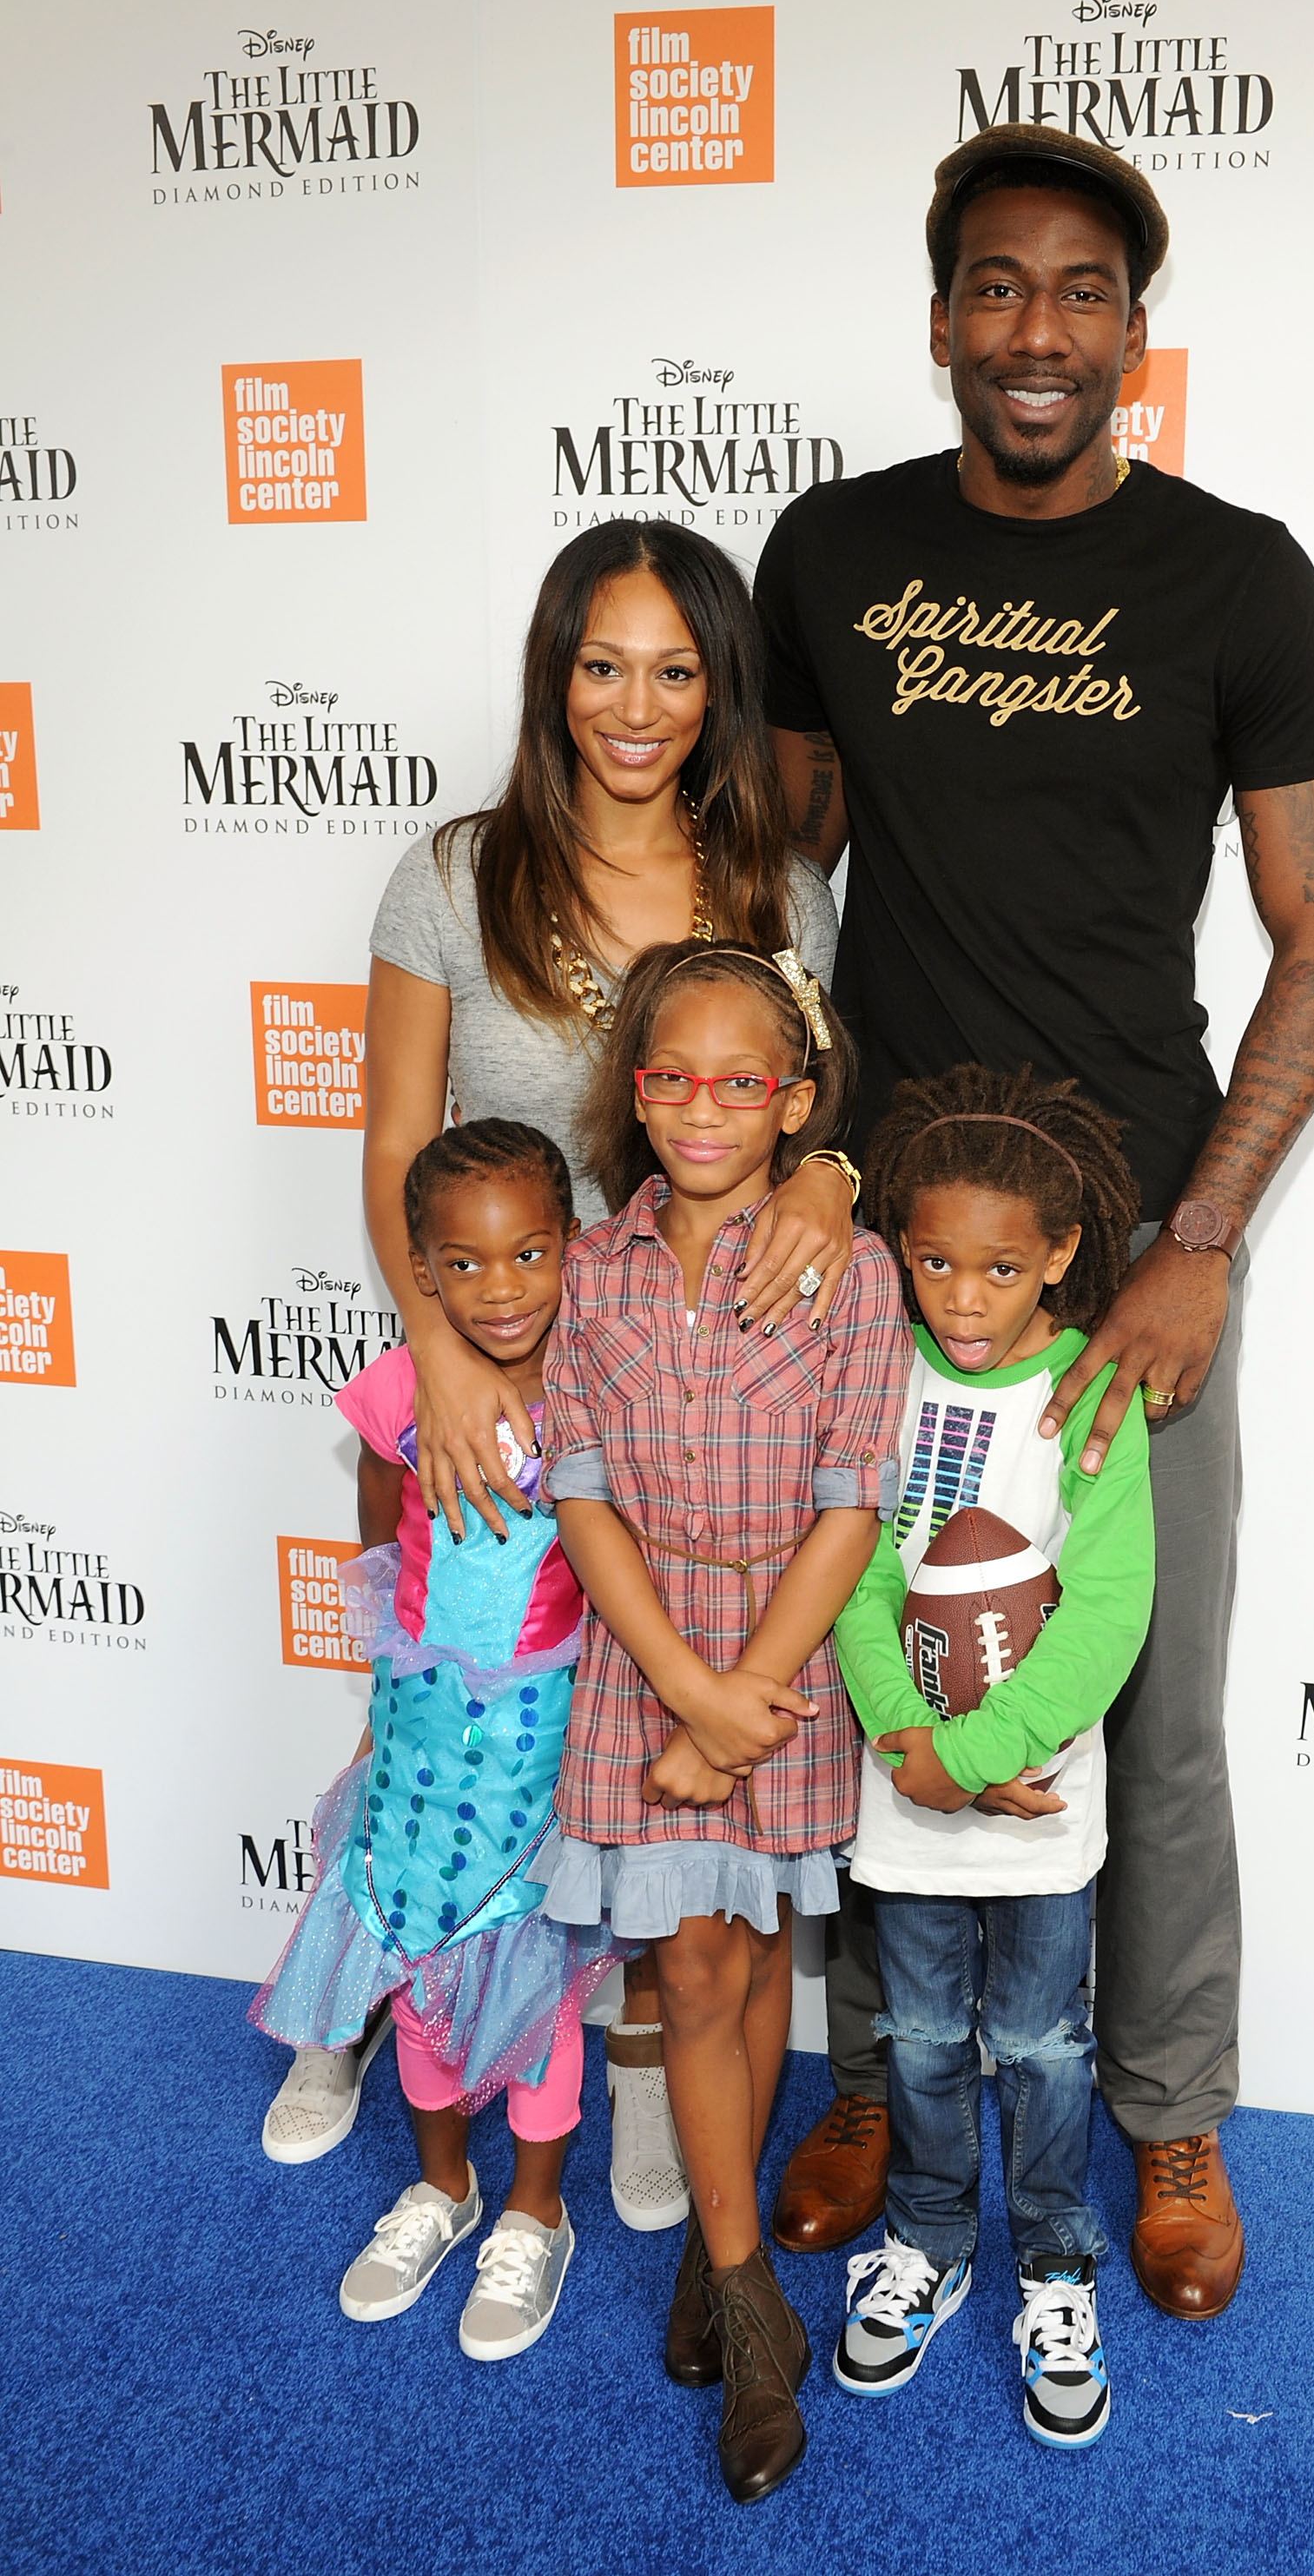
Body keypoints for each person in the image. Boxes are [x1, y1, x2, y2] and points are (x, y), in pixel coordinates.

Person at [756, 123, 1314, 2317]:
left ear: (1134, 327)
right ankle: (870, 2077)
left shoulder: (1236, 577)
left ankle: (1167, 2108)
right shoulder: (826, 555)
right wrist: (788, 1158)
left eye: (1081, 290)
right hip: (877, 1262)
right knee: (862, 1677)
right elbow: (774, 888)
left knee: (1150, 1708)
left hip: (1127, 1256)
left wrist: (1204, 1234)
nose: (1036, 328)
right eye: (995, 287)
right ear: (938, 320)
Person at [298, 521, 857, 2222]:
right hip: (469, 1389)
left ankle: (622, 2053)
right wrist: (440, 1360)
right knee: (437, 1733)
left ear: (718, 689)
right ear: (554, 676)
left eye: (675, 670)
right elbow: (394, 1134)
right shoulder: (454, 875)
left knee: (607, 1753)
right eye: (601, 664)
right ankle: (355, 1997)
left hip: (677, 1422)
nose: (636, 704)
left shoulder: (779, 894)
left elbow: (803, 1122)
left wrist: (828, 1176)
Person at [532, 941, 908, 2503]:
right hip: (649, 1665)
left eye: (739, 1081)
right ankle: (753, 2310)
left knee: (756, 1954)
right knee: (690, 1967)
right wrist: (687, 1698)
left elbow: (853, 1498)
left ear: (794, 1101)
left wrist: (744, 1698)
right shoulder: (594, 1272)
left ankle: (710, 2233)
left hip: (792, 1657)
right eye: (670, 1076)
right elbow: (582, 1487)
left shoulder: (853, 1269)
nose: (701, 1106)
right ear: (635, 1091)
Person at [252, 1120, 617, 2359]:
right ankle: (444, 2188)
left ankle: (535, 2208)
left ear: (573, 1246)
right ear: (418, 1268)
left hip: (544, 1750)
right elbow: (380, 1517)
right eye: (462, 1264)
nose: (500, 1288)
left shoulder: (596, 1386)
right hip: (418, 1747)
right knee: (412, 1959)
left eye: (528, 1254)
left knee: (534, 1980)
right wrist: (378, 1702)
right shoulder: (406, 1391)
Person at [830, 1067, 1152, 2450]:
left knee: (1040, 2041)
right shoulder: (873, 1371)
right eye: (936, 1261)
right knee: (914, 2038)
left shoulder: (1089, 1401)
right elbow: (849, 1573)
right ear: (901, 1245)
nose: (963, 1298)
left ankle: (1056, 2265)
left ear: (1062, 1259)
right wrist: (911, 1744)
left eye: (1002, 1268)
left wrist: (981, 1752)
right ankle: (929, 2238)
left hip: (1033, 1803)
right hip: (906, 1792)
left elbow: (1111, 1610)